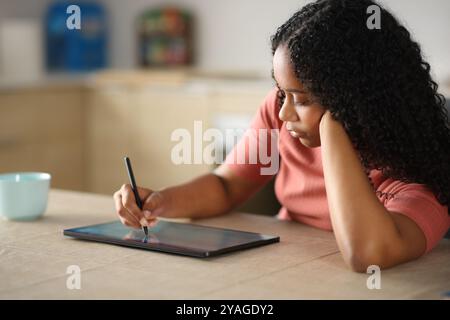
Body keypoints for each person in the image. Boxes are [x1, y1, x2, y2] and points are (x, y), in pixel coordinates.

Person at [114, 0, 450, 272]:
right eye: (281, 91)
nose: (283, 112)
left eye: (302, 99)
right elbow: (228, 185)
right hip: (282, 268)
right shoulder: (280, 111)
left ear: (358, 101)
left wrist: (333, 131)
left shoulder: (422, 175)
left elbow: (368, 255)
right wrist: (161, 201)